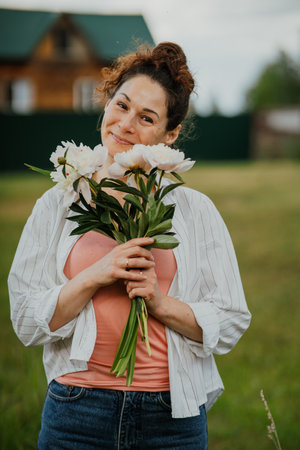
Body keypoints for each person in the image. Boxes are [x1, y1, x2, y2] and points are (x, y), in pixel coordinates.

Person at [8, 42, 251, 449]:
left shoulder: (194, 210)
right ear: (106, 104)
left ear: (170, 134)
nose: (125, 124)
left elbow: (231, 320)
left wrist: (159, 303)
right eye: (121, 105)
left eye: (147, 117)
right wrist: (94, 276)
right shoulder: (58, 204)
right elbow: (26, 320)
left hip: (172, 414)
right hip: (77, 410)